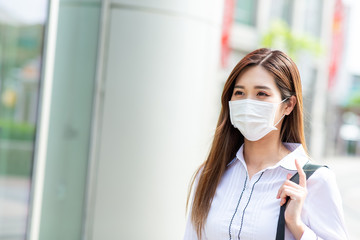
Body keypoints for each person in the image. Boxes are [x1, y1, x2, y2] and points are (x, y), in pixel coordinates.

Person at [183, 48, 348, 240]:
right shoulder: (210, 174)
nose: (247, 102)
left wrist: (297, 226)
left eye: (261, 93)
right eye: (239, 92)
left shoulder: (315, 181)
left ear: (288, 105)